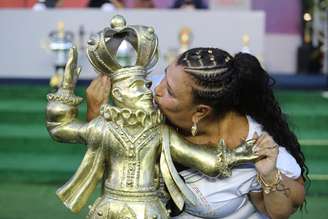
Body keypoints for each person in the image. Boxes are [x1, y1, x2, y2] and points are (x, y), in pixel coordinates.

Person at [86, 48, 307, 218]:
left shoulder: (255, 150)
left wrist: (268, 176)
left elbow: (279, 212)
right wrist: (96, 113)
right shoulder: (153, 103)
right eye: (164, 76)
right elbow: (116, 159)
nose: (157, 90)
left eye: (170, 92)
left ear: (200, 112)